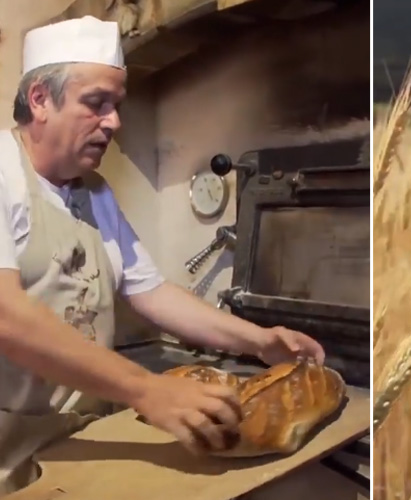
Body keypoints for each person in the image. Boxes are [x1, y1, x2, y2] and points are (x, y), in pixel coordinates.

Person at [0, 16, 326, 496]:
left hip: (81, 438)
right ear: (40, 100)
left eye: (116, 105)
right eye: (96, 104)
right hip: (9, 448)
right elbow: (8, 317)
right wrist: (148, 389)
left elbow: (149, 291)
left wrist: (259, 341)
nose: (113, 122)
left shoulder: (95, 194)